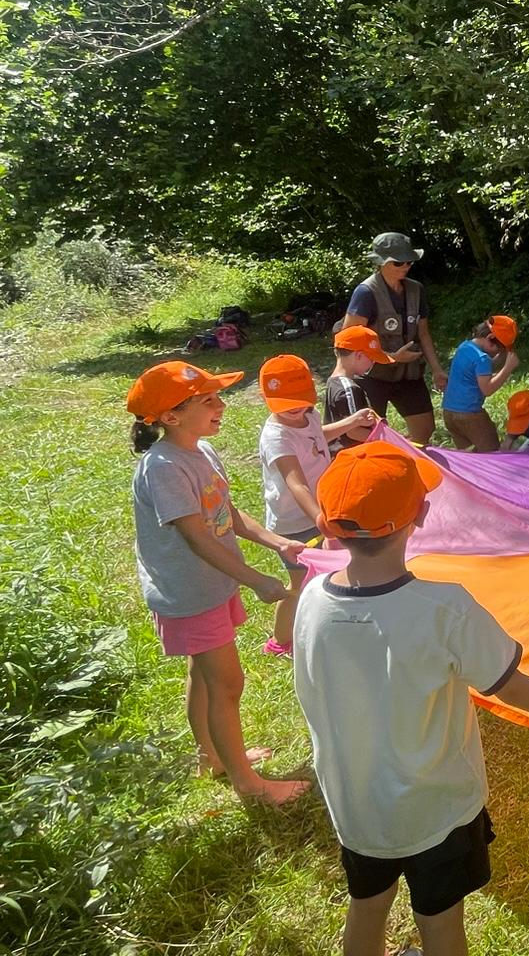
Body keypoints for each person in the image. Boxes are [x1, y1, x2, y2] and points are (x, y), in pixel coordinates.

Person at [293, 441, 529, 956]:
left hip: (356, 805)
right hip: (437, 810)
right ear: (421, 513)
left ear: (326, 524)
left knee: (367, 903)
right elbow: (514, 687)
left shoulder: (311, 599)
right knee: (439, 921)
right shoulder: (445, 609)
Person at [125, 361, 309, 806]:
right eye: (208, 400)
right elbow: (196, 536)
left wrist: (277, 542)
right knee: (227, 685)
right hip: (190, 593)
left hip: (211, 585)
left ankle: (211, 757)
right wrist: (256, 580)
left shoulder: (202, 451)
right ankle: (249, 785)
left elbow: (226, 512)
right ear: (171, 416)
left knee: (204, 675)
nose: (221, 406)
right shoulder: (163, 467)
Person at [256, 353, 378, 657]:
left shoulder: (307, 415)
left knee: (334, 572)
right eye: (286, 404)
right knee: (301, 584)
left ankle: (331, 627)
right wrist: (322, 519)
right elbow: (295, 483)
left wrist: (350, 422)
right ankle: (279, 641)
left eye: (301, 400)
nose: (296, 409)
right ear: (267, 400)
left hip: (322, 511)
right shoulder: (276, 437)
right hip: (295, 524)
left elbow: (316, 437)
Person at [341, 232, 448, 446]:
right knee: (369, 435)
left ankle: (408, 457)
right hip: (372, 376)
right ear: (381, 262)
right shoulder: (365, 292)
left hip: (408, 374)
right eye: (399, 262)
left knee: (425, 429)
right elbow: (347, 340)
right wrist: (390, 357)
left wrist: (437, 370)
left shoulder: (416, 289)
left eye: (410, 261)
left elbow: (423, 333)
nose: (406, 266)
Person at [441, 316, 520, 453]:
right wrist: (507, 369)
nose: (498, 352)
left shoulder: (464, 347)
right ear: (490, 338)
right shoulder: (482, 358)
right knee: (491, 452)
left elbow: (479, 370)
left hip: (449, 412)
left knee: (467, 455)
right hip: (469, 414)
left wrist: (501, 358)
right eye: (499, 348)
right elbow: (487, 389)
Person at [324, 325, 392, 452]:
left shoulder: (333, 382)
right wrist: (389, 442)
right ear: (359, 355)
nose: (373, 363)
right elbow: (354, 432)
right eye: (372, 359)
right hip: (354, 456)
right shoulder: (348, 389)